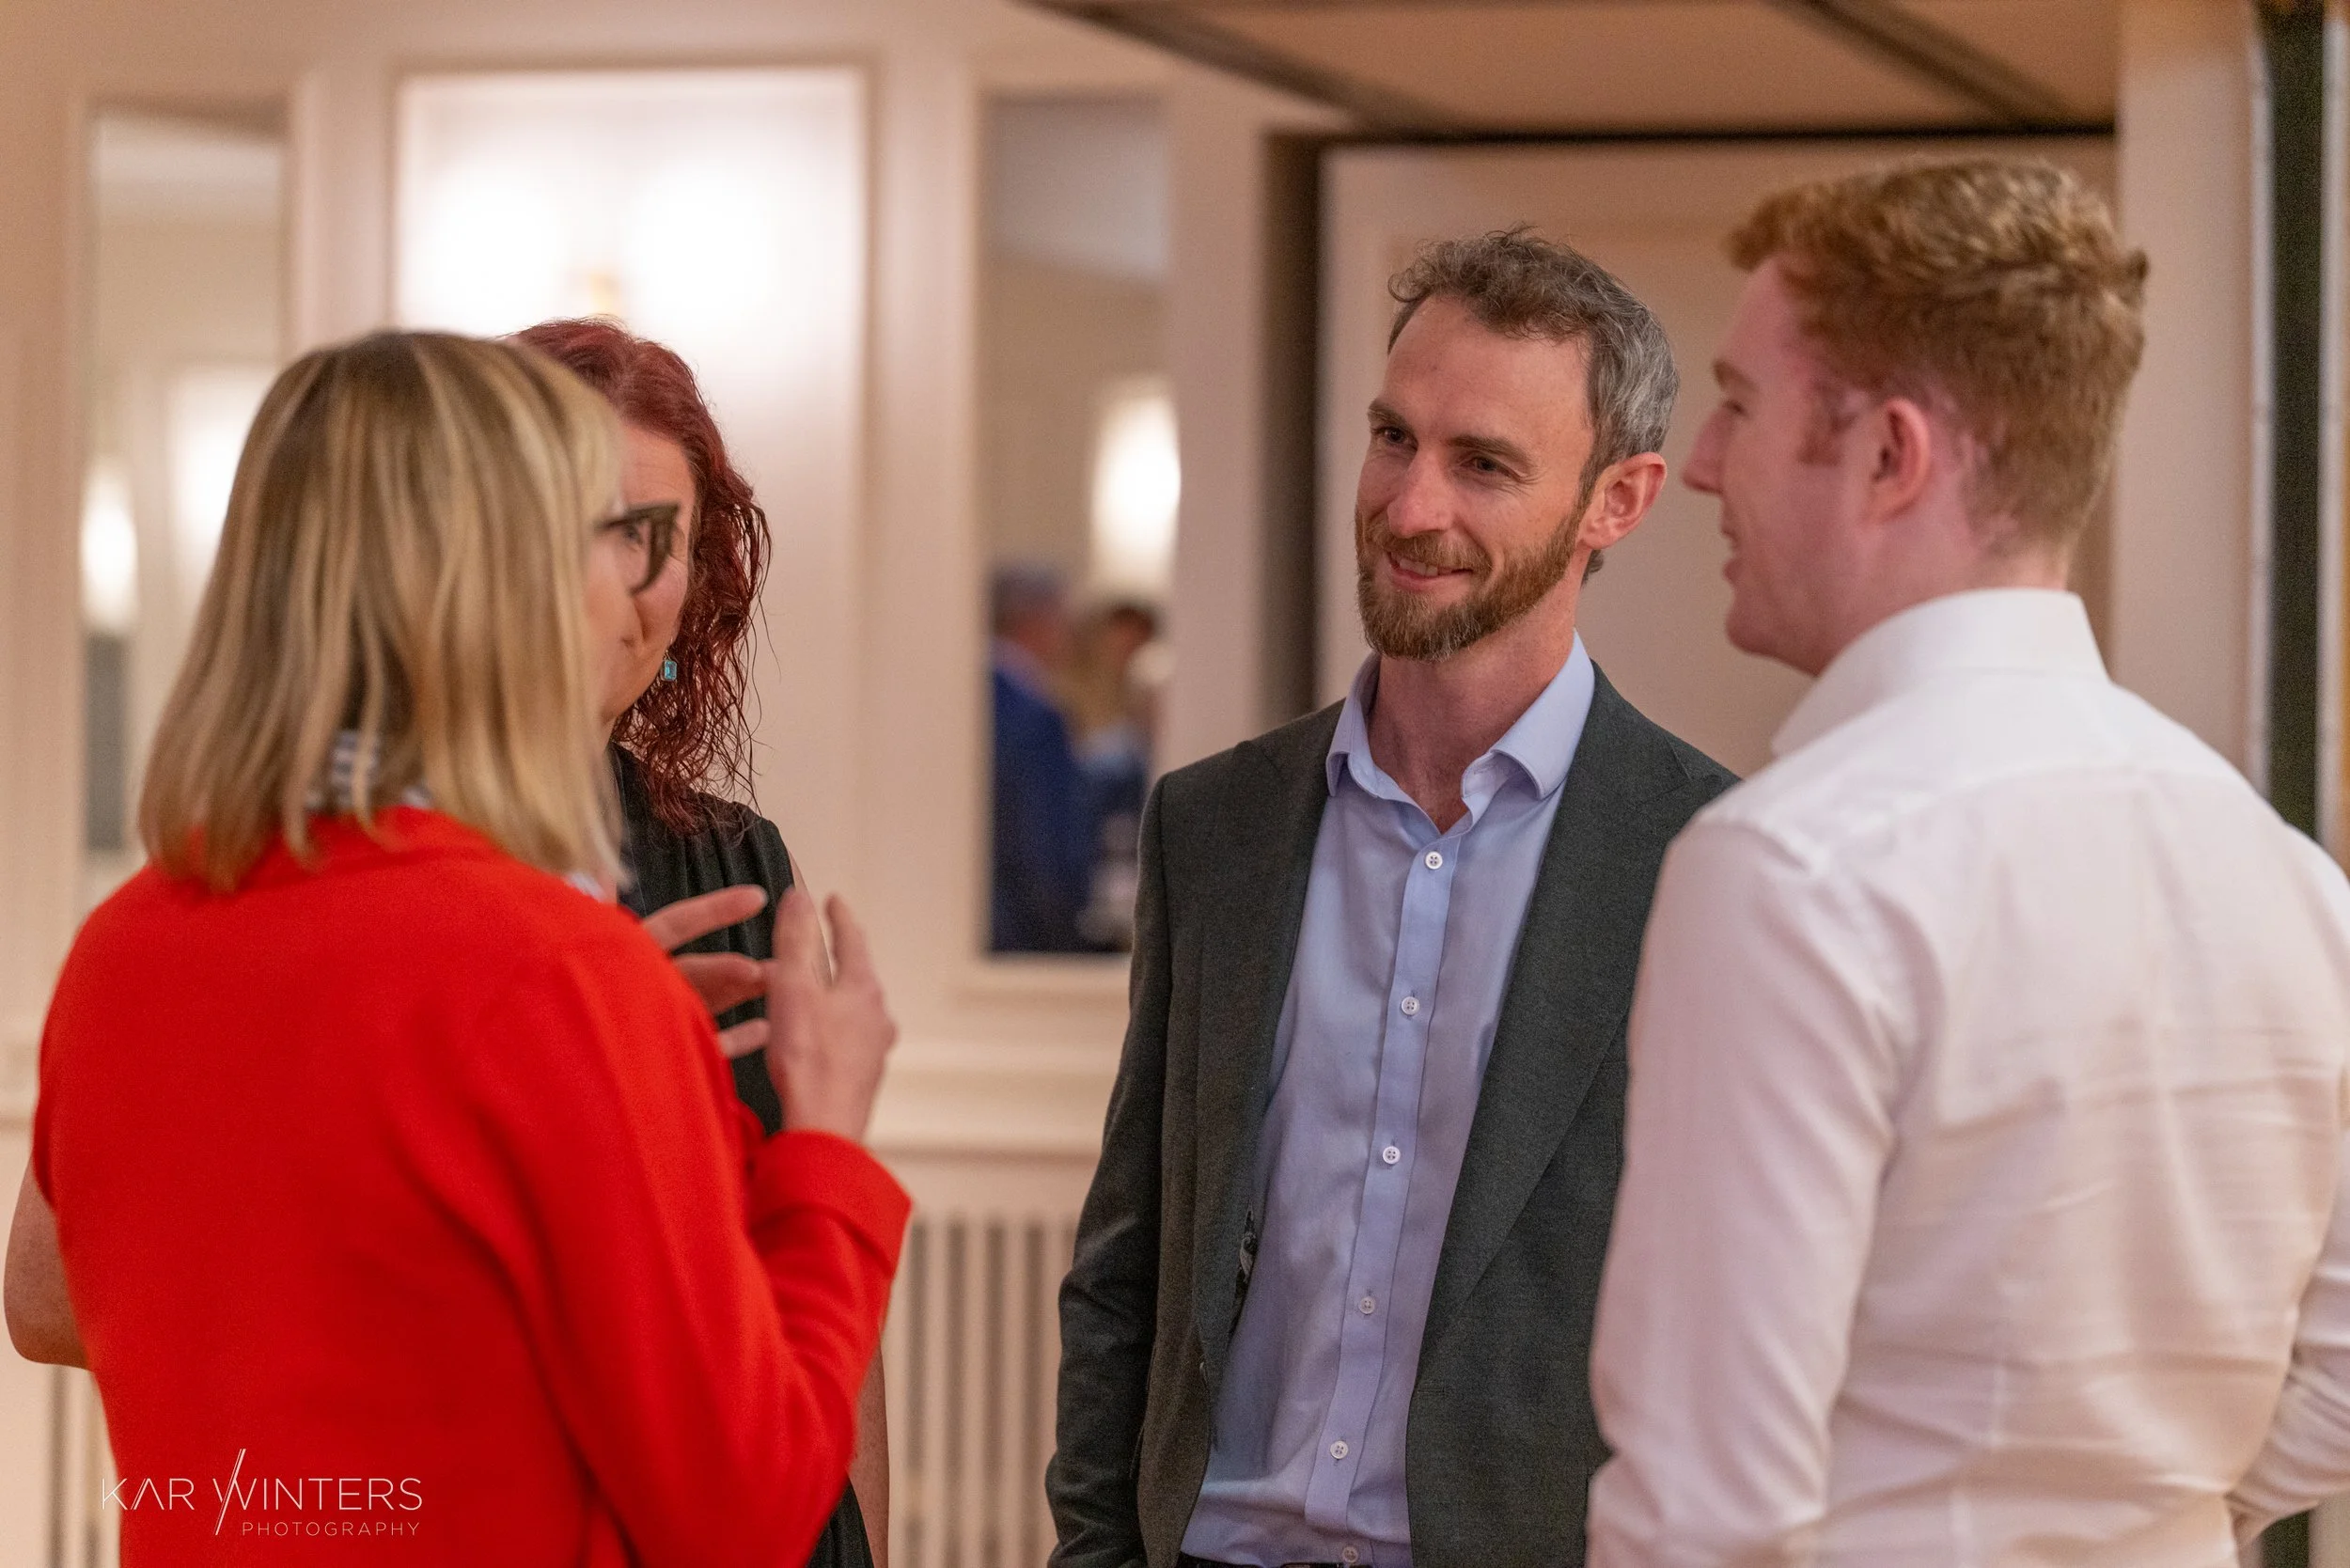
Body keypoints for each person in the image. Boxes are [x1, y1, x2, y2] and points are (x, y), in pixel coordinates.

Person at [1, 331, 904, 1564]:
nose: (628, 585)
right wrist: (822, 1144)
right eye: (598, 534)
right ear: (494, 580)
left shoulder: (124, 944)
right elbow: (745, 1515)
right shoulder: (557, 975)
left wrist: (644, 1081)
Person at [1587, 160, 2350, 1567]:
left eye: (1742, 405)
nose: (1700, 463)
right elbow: (2344, 1378)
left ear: (1890, 457)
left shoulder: (1792, 871)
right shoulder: (2295, 882)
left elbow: (1705, 1511)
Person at [1049, 229, 1734, 1568]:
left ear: (1620, 499)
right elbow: (1128, 1268)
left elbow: (1732, 1325)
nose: (1411, 506)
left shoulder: (1712, 857)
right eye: (1392, 438)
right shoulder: (1217, 825)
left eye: (1482, 464)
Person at [516, 317, 889, 1568]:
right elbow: (55, 1292)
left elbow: (817, 1245)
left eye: (651, 538)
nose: (609, 582)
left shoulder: (736, 864)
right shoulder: (341, 861)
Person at [991, 562, 1101, 952]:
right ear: (1036, 619)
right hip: (1024, 936)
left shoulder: (969, 695)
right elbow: (1045, 849)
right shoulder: (1036, 717)